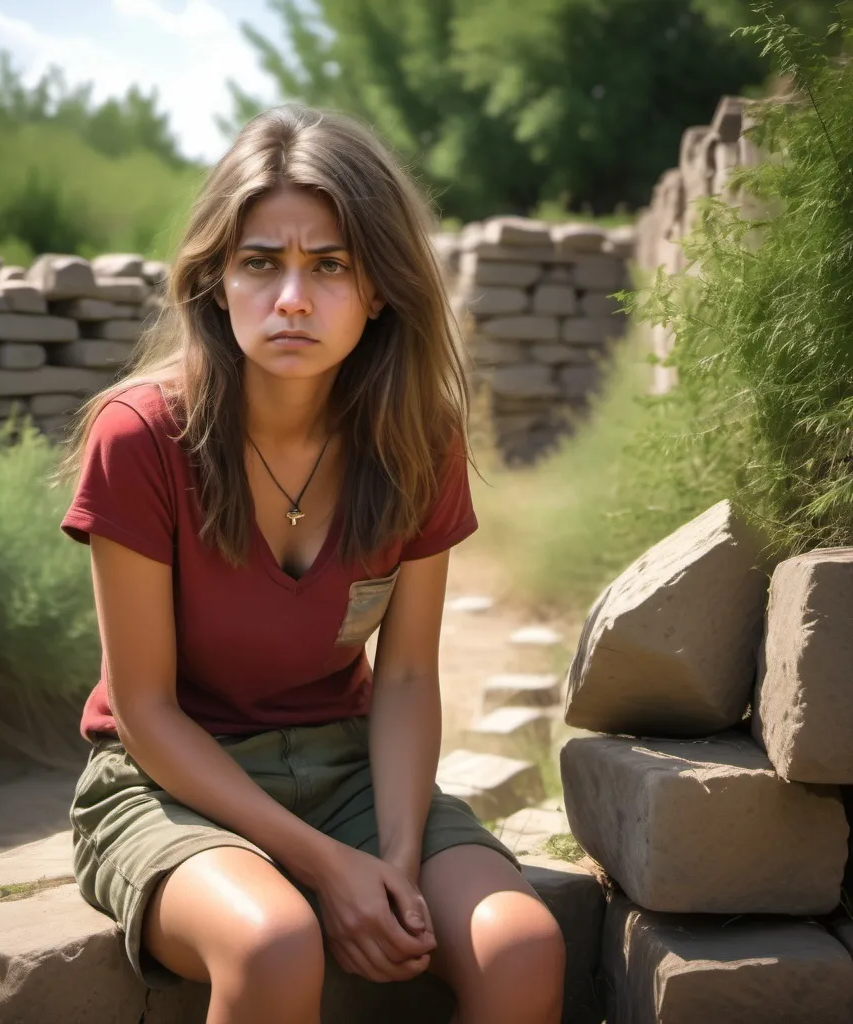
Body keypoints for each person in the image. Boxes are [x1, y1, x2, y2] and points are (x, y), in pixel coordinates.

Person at [59, 103, 565, 1024]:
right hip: (171, 782)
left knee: (522, 951)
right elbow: (145, 710)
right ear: (216, 281)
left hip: (347, 774)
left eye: (330, 264)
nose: (292, 296)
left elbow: (407, 674)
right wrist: (329, 871)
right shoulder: (139, 438)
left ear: (379, 289)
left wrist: (397, 868)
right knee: (276, 943)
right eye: (261, 262)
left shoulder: (418, 440)